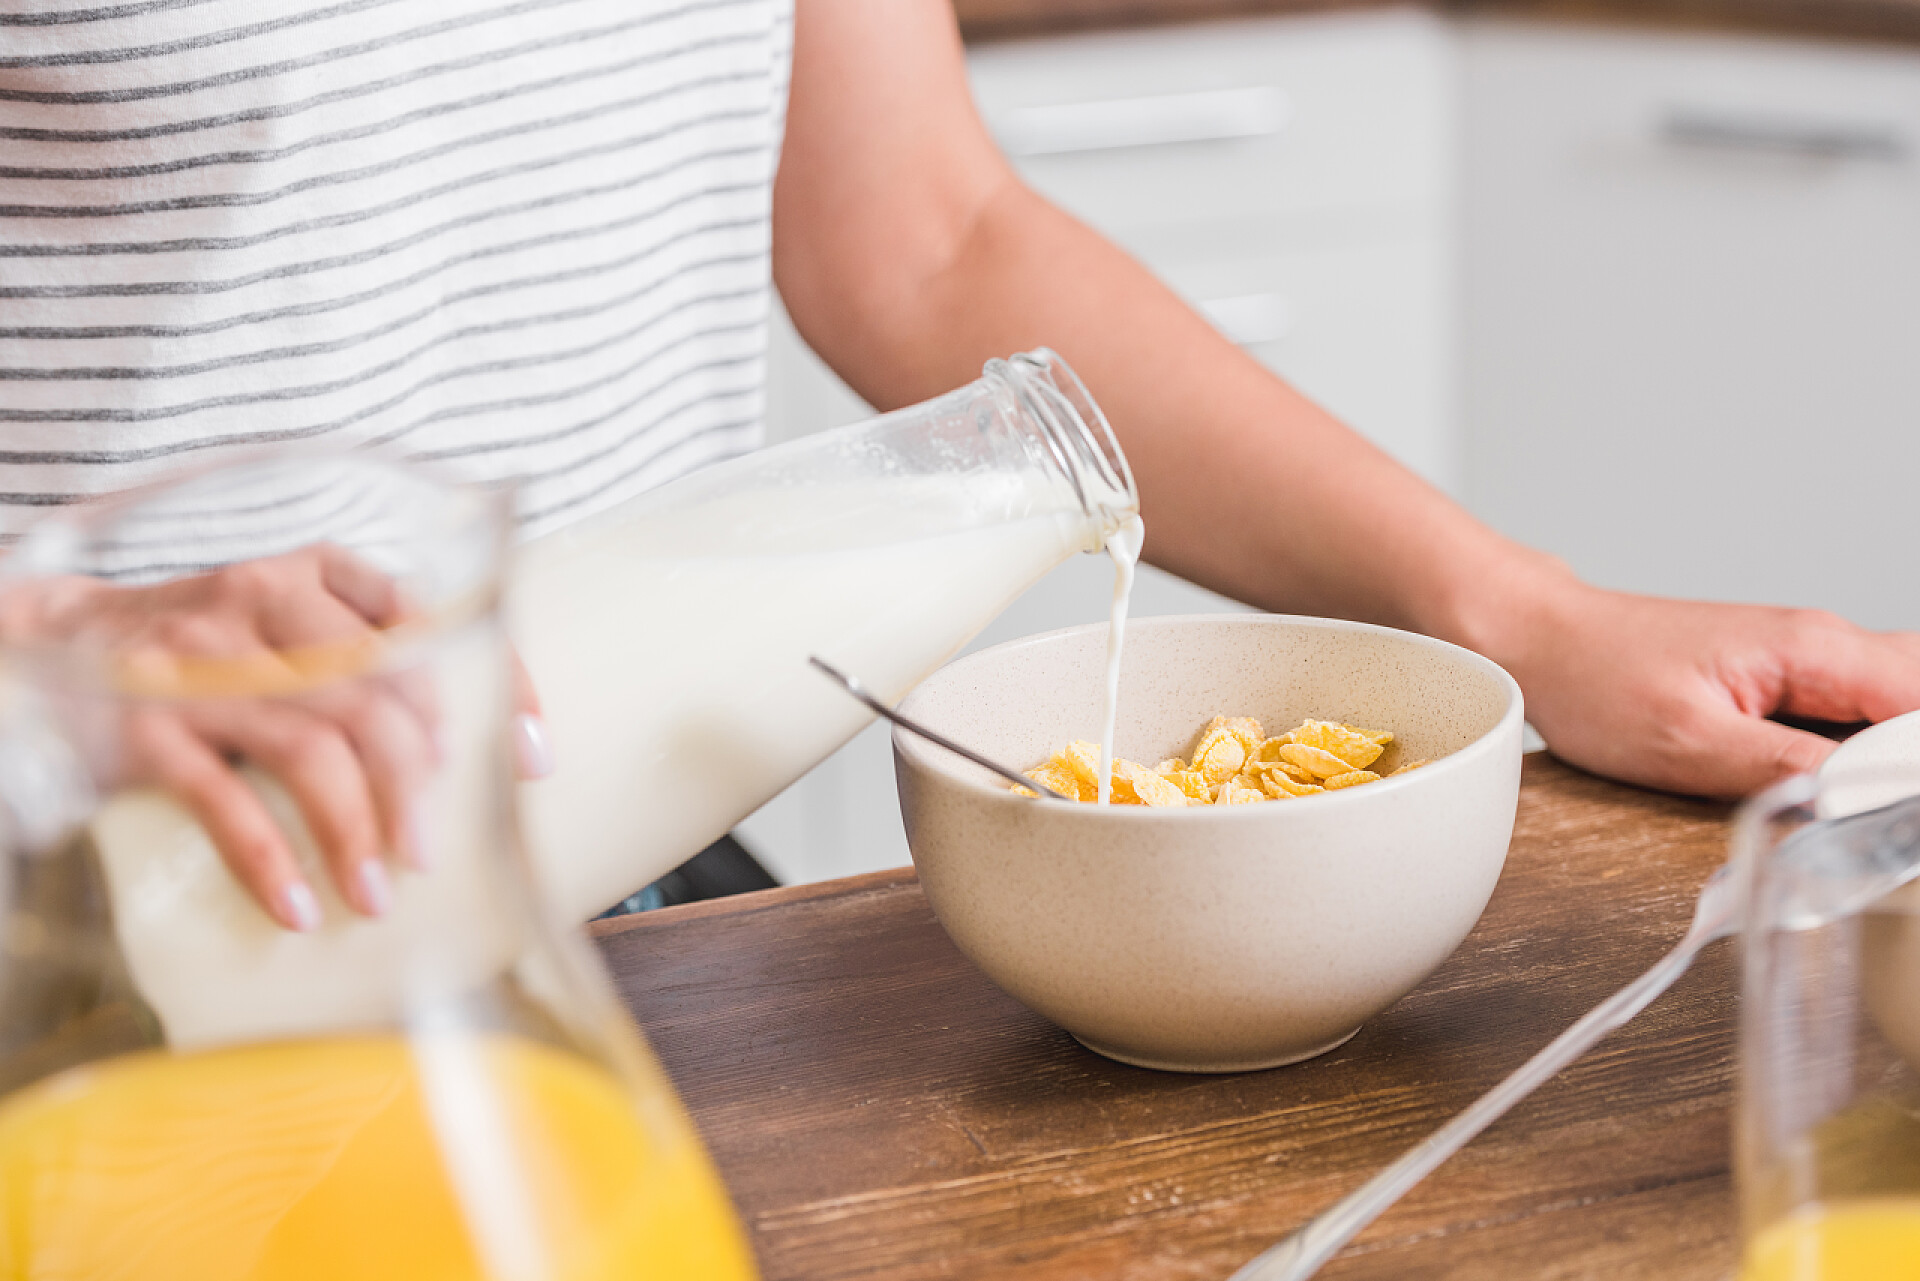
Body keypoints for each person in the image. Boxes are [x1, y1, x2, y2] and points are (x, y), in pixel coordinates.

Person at [4, 0, 1918, 928]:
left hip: (605, 885)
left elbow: (920, 233)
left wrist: (1526, 613)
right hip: (84, 912)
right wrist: (55, 645)